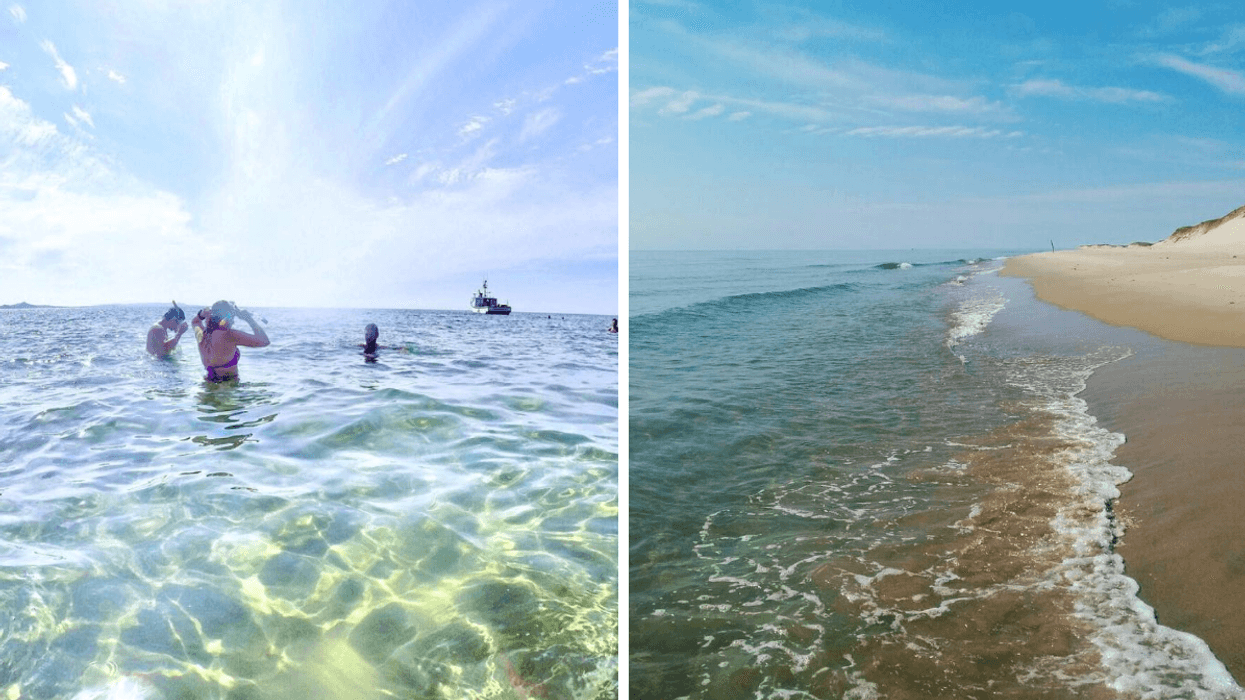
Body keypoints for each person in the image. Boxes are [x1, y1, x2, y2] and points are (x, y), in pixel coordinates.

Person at [192, 300, 269, 381]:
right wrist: (248, 319)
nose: (233, 321)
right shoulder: (228, 335)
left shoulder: (201, 333)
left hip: (208, 384)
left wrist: (201, 314)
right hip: (228, 388)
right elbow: (264, 341)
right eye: (231, 317)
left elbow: (195, 321)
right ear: (226, 317)